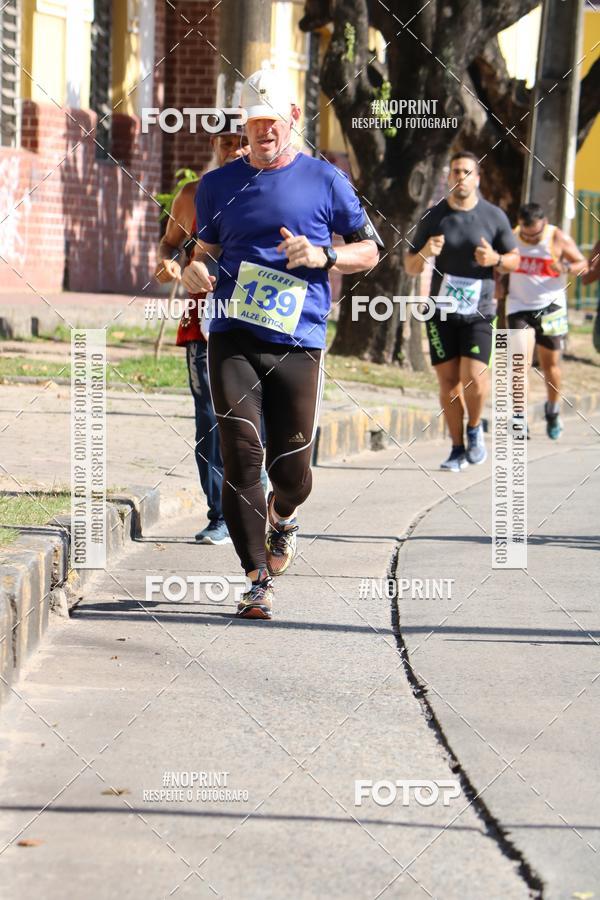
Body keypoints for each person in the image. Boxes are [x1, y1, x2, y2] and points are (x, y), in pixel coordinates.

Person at [182, 68, 382, 619]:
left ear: (293, 119)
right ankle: (255, 581)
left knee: (291, 469)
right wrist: (194, 270)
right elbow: (201, 251)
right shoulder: (218, 185)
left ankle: (283, 515)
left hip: (299, 338)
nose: (264, 131)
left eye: (273, 121)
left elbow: (372, 251)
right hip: (232, 333)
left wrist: (324, 256)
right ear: (242, 127)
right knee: (242, 453)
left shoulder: (326, 180)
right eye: (254, 123)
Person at [154, 115, 249, 544]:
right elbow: (171, 242)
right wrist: (170, 263)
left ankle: (255, 504)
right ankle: (220, 515)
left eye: (242, 142)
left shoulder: (271, 190)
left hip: (257, 320)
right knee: (209, 418)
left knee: (253, 418)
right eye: (227, 142)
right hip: (203, 323)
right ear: (214, 143)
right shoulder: (193, 194)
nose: (235, 150)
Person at [404, 151, 520, 471]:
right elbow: (410, 266)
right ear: (449, 175)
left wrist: (495, 260)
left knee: (474, 379)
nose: (461, 177)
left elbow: (515, 259)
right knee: (449, 383)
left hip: (480, 311)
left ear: (477, 178)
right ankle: (456, 448)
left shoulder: (493, 216)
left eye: (467, 172)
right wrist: (427, 250)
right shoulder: (433, 216)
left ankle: (475, 428)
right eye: (456, 171)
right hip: (440, 313)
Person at [507, 201, 587, 439]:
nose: (530, 239)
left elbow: (582, 265)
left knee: (551, 366)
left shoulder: (556, 237)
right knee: (520, 363)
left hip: (551, 308)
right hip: (519, 306)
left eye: (535, 235)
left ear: (543, 224)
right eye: (526, 234)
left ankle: (552, 410)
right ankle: (519, 417)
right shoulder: (512, 236)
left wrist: (564, 266)